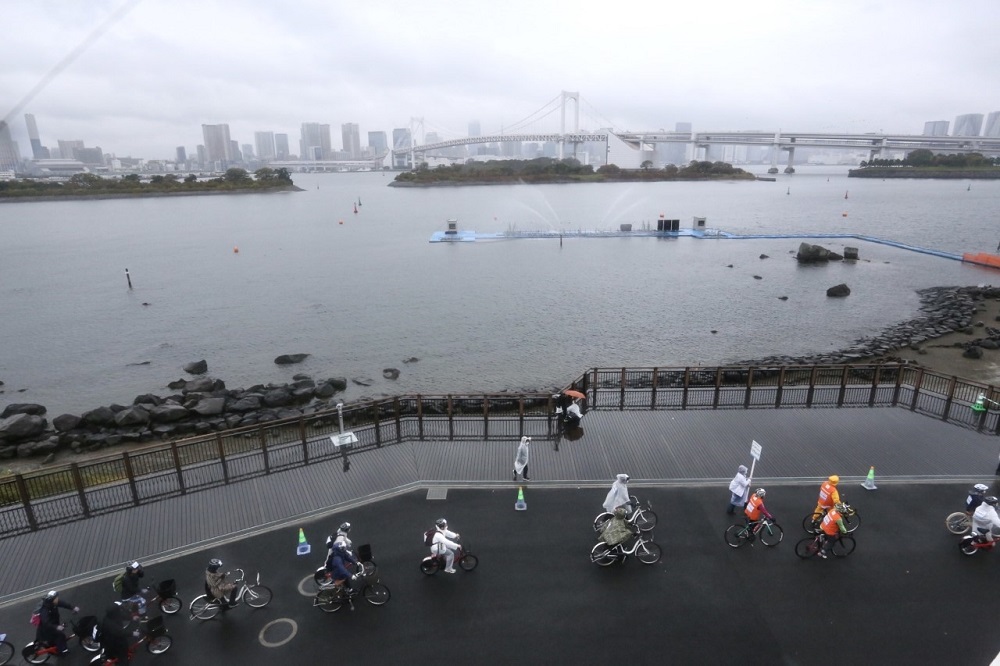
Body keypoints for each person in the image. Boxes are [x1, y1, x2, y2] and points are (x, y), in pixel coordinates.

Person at [35, 590, 79, 655]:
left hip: (53, 624)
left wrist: (72, 607)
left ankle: (53, 645)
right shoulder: (44, 610)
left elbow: (63, 604)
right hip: (47, 628)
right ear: (52, 599)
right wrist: (57, 627)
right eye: (56, 598)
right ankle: (63, 650)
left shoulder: (53, 603)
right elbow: (46, 623)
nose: (57, 599)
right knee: (61, 635)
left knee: (54, 638)